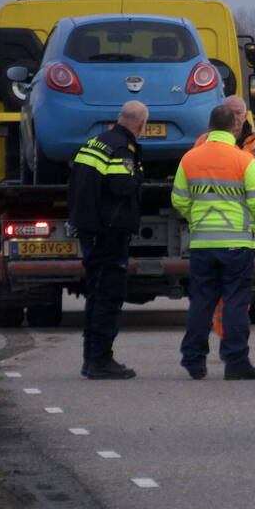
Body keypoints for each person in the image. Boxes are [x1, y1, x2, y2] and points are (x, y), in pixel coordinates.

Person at [173, 104, 255, 380]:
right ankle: (236, 361)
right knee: (235, 302)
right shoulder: (244, 160)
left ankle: (193, 360)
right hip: (238, 243)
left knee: (201, 302)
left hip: (202, 244)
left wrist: (196, 219)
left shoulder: (190, 158)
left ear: (209, 126)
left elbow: (179, 199)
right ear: (235, 127)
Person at [67, 101, 148, 380]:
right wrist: (138, 175)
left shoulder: (95, 142)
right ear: (141, 124)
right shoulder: (122, 150)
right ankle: (101, 360)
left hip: (90, 229)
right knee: (109, 297)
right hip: (109, 234)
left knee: (95, 295)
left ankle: (90, 359)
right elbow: (122, 186)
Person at [193, 95, 255, 338]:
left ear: (246, 115)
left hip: (245, 233)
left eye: (239, 112)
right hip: (213, 231)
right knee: (218, 293)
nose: (236, 118)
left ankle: (228, 339)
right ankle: (228, 341)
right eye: (231, 112)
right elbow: (189, 185)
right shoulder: (203, 143)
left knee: (236, 294)